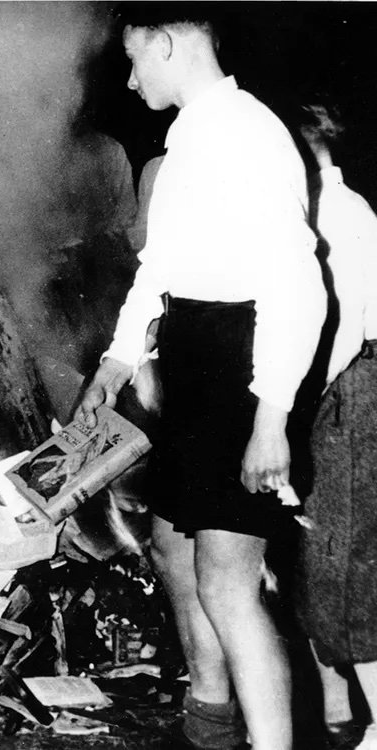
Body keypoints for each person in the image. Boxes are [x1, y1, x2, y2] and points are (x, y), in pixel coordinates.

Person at [76, 7, 325, 750]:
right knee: (174, 555)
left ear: (167, 44)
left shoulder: (248, 133)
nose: (129, 78)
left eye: (135, 60)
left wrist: (271, 416)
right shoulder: (190, 138)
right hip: (189, 356)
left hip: (238, 368)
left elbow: (299, 287)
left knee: (227, 580)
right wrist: (117, 360)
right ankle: (209, 725)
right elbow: (161, 268)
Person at [293, 102, 377, 750]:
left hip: (351, 395)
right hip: (342, 395)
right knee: (325, 560)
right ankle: (342, 707)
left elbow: (344, 329)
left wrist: (299, 405)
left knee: (347, 569)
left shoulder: (339, 213)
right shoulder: (323, 207)